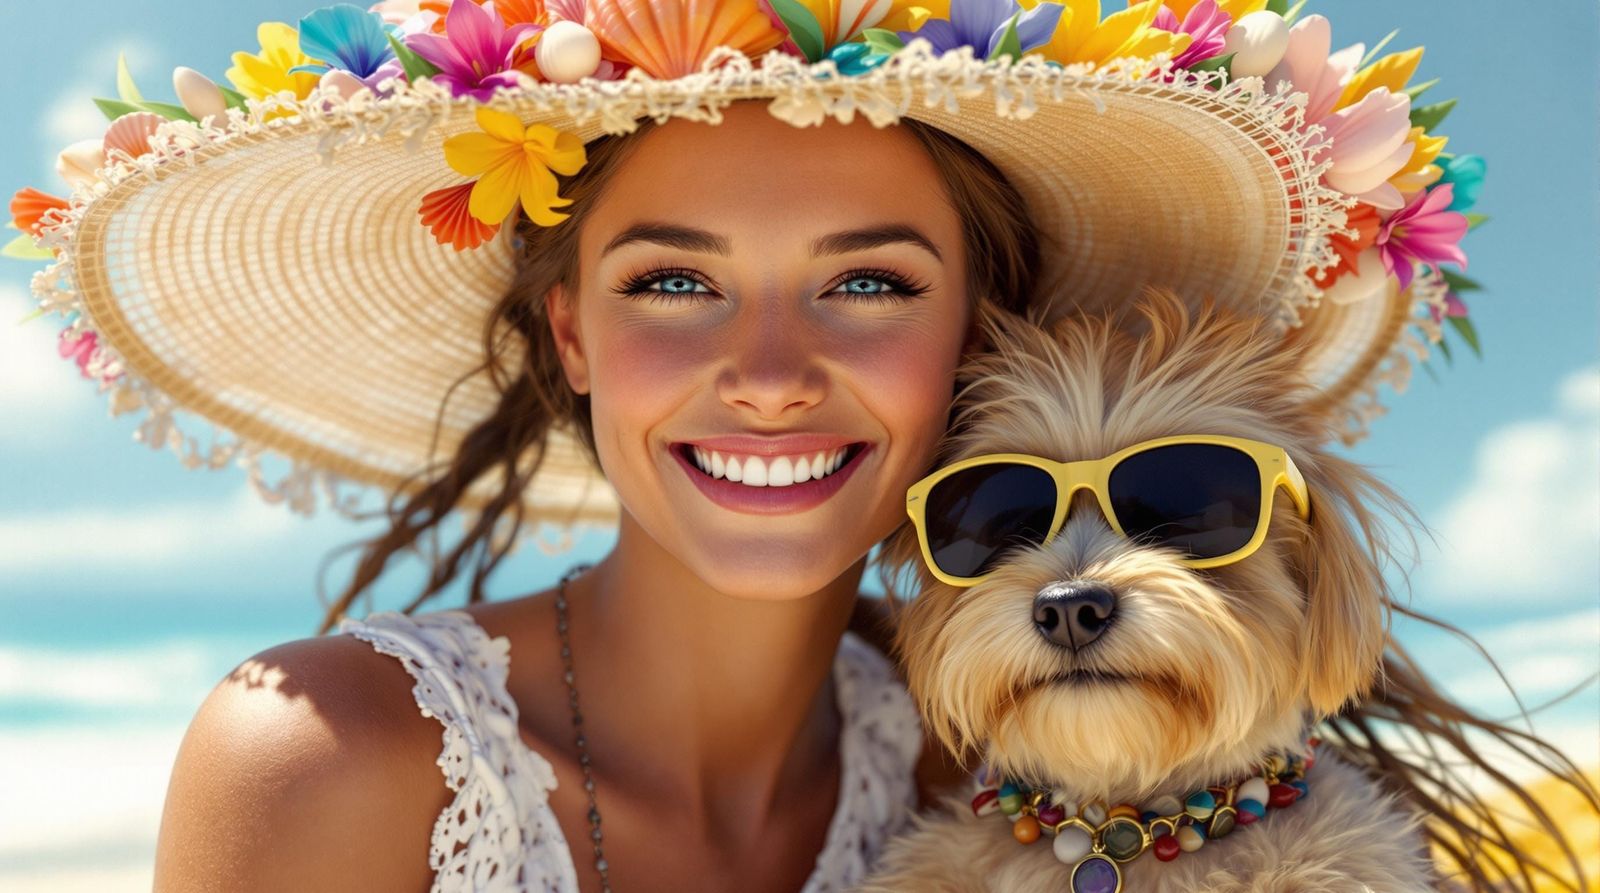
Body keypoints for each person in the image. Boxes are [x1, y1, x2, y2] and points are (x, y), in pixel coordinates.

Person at [15, 2, 1583, 891]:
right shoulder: (328, 763)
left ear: (968, 343)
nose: (768, 376)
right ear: (571, 334)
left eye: (869, 283)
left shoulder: (1004, 749)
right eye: (673, 282)